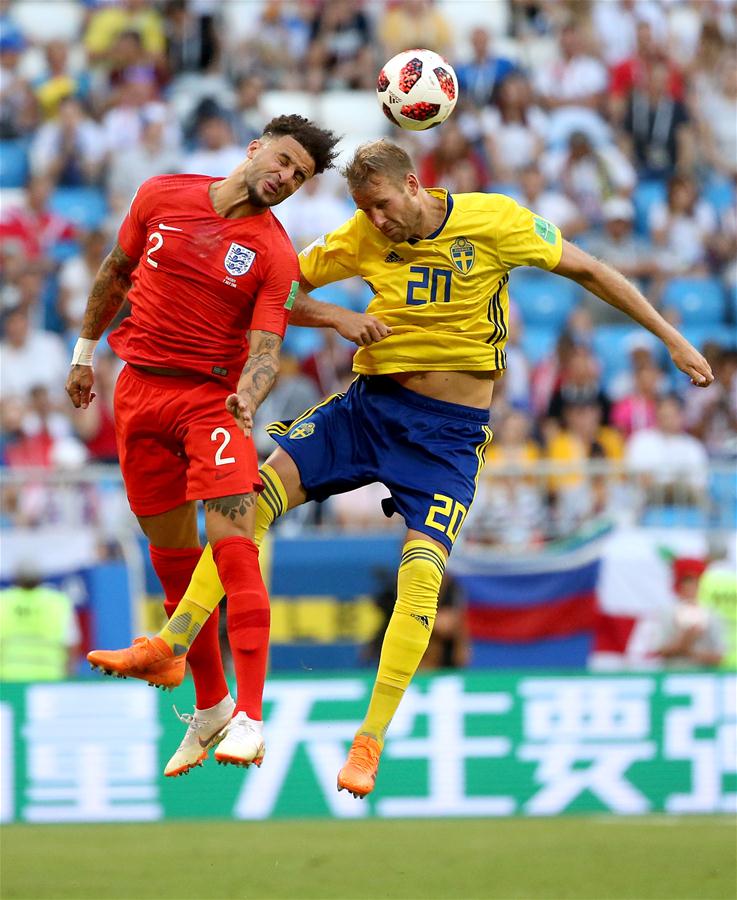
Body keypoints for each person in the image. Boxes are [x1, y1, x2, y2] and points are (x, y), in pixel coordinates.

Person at [89, 139, 714, 798]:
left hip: (444, 439)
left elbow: (588, 270)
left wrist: (671, 338)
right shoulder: (359, 234)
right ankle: (174, 641)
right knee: (250, 499)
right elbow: (277, 290)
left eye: (382, 206)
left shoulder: (495, 221)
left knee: (421, 576)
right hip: (368, 408)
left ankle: (369, 740)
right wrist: (335, 316)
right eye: (365, 210)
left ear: (413, 185)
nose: (376, 222)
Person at [72, 116, 342, 776]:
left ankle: (249, 715)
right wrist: (83, 353)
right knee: (171, 564)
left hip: (210, 405)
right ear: (253, 150)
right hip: (136, 394)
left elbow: (266, 347)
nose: (284, 178)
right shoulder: (161, 194)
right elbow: (115, 271)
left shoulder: (273, 252)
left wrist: (248, 397)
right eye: (281, 161)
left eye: (299, 177)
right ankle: (212, 706)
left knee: (234, 548)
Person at [0, 563, 80, 681]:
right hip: (50, 678)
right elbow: (72, 644)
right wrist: (69, 673)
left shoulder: (3, 601)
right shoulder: (57, 602)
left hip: (8, 679)